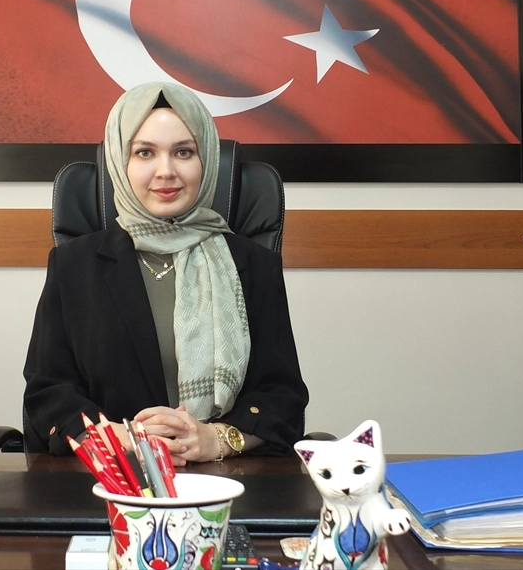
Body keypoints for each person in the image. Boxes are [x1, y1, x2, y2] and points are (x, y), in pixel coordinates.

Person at [22, 81, 308, 464]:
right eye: (145, 153)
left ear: (206, 160)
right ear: (120, 163)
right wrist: (119, 437)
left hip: (227, 480)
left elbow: (283, 396)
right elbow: (47, 392)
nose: (166, 171)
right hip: (110, 477)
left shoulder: (253, 264)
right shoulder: (74, 264)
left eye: (183, 152)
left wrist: (217, 439)